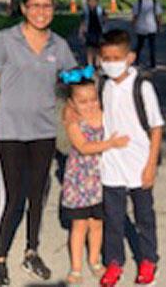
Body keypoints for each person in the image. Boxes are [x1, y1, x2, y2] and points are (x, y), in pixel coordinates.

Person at [0, 0, 77, 287]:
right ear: (24, 8)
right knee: (14, 198)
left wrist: (92, 78)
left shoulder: (59, 45)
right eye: (36, 6)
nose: (42, 12)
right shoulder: (5, 40)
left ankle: (31, 251)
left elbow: (72, 79)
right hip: (10, 132)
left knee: (37, 196)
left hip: (43, 133)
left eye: (48, 6)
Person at [97, 29, 165, 287]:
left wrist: (151, 166)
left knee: (144, 216)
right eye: (106, 58)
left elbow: (156, 127)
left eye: (116, 57)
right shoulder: (102, 85)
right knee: (113, 218)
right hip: (111, 164)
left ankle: (148, 259)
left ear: (130, 57)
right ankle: (114, 262)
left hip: (138, 164)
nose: (111, 63)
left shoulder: (142, 86)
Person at [59, 66, 129, 285]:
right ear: (71, 104)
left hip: (101, 179)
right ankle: (76, 267)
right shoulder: (73, 122)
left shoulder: (103, 114)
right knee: (79, 225)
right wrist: (111, 144)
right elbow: (84, 147)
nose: (89, 105)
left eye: (93, 99)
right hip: (80, 181)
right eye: (82, 101)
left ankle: (95, 260)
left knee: (97, 223)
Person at [132, 0, 162, 70]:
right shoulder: (143, 2)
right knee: (147, 46)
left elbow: (135, 15)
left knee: (141, 46)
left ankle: (141, 62)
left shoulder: (146, 2)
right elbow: (158, 16)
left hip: (146, 27)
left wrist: (133, 25)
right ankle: (151, 64)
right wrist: (159, 26)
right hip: (146, 27)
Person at [79, 0, 107, 66]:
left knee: (98, 48)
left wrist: (105, 20)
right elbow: (82, 22)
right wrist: (81, 32)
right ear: (88, 2)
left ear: (97, 1)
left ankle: (97, 64)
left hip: (99, 30)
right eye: (90, 0)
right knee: (90, 49)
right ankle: (90, 64)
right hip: (89, 31)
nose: (92, 2)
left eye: (94, 0)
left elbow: (105, 20)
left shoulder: (100, 10)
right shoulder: (85, 10)